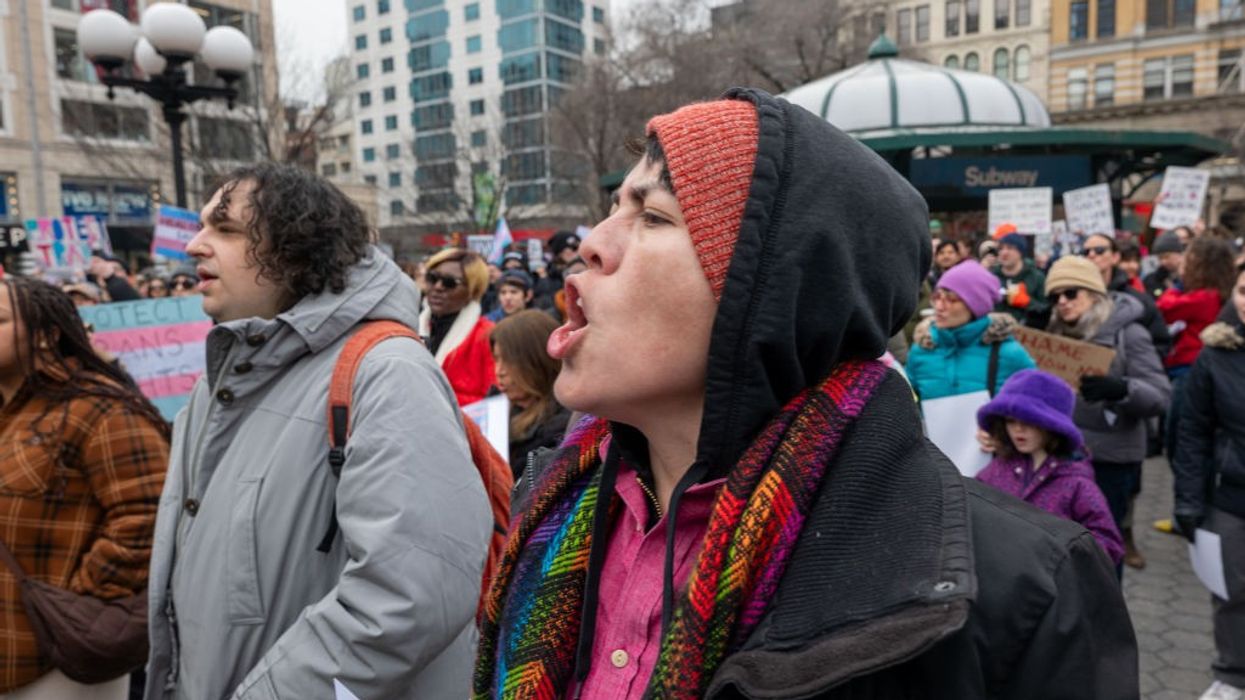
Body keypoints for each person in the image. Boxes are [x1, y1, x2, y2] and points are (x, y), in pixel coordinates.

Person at [474, 89, 1136, 700]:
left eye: (651, 215)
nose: (591, 244)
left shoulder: (1021, 590)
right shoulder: (551, 503)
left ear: (775, 295)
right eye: (613, 207)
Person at [144, 164, 491, 700]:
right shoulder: (216, 385)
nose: (194, 245)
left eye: (225, 228)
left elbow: (408, 596)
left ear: (296, 247)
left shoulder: (386, 371)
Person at [0, 278, 168, 699]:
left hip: (58, 662)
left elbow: (151, 516)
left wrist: (81, 599)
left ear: (46, 336)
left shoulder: (99, 408)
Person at [1044, 255, 1171, 572]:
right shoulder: (1055, 335)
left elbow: (1160, 396)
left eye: (1071, 292)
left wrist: (1121, 389)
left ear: (1093, 294)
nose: (1062, 302)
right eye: (1055, 296)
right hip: (1062, 455)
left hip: (1110, 461)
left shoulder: (1129, 334)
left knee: (1102, 554)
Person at [1174, 264, 1245, 700]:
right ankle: (1232, 675)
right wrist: (1187, 499)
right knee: (1231, 591)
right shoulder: (1215, 356)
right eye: (1241, 290)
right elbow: (1192, 431)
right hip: (1230, 496)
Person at [975, 369, 1124, 566]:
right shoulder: (997, 469)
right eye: (1011, 420)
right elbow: (970, 511)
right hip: (999, 582)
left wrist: (1059, 561)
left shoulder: (1076, 483)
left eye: (1029, 420)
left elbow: (1109, 545)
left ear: (1053, 426)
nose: (1018, 428)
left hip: (1053, 590)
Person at [1157, 237, 1238, 467]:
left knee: (1179, 433)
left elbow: (1165, 307)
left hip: (1188, 371)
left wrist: (1177, 287)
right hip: (1196, 368)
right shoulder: (1218, 294)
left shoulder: (1203, 297)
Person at [906, 260, 1036, 401]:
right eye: (937, 296)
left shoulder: (1010, 354)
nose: (939, 306)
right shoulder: (921, 349)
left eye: (950, 298)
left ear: (975, 305)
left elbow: (1036, 406)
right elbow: (909, 404)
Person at [489, 309, 571, 472]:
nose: (499, 371)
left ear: (537, 361)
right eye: (497, 359)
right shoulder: (497, 407)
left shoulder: (560, 430)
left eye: (509, 361)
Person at [419, 248, 497, 406]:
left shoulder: (488, 335)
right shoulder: (410, 327)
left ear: (471, 291)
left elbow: (493, 401)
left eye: (449, 283)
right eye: (432, 278)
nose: (438, 287)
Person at [1082, 233, 1172, 359]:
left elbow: (1160, 344)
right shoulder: (1071, 299)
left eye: (1099, 250)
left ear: (1115, 257)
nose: (1091, 255)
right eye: (1086, 252)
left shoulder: (1139, 301)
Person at [992, 232, 1049, 326]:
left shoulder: (1036, 277)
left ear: (1020, 252)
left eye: (1010, 248)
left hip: (1027, 334)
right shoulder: (991, 277)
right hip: (994, 332)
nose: (1004, 252)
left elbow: (1046, 310)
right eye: (1001, 248)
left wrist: (1027, 302)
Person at [1144, 230, 1185, 300]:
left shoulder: (1191, 279)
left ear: (1179, 254)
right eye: (1160, 258)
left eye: (1166, 257)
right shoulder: (1152, 279)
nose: (1163, 262)